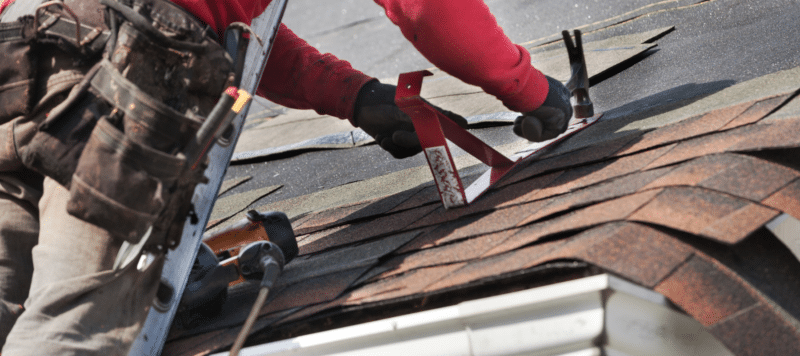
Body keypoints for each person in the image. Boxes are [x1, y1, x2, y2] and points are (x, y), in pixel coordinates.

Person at [0, 0, 571, 354]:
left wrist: (353, 94)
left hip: (16, 56)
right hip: (123, 77)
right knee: (74, 326)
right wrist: (528, 89)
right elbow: (426, 9)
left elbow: (229, 23)